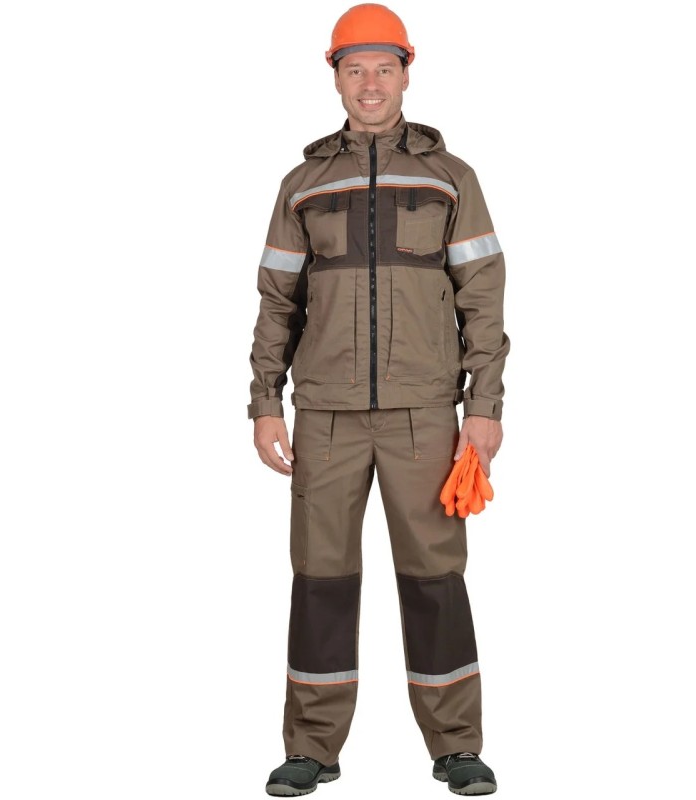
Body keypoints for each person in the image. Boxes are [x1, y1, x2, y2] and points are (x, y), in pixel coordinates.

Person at [248, 4, 509, 795]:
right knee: (320, 579)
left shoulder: (450, 176)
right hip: (324, 415)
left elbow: (483, 298)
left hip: (424, 414)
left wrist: (484, 406)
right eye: (354, 68)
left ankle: (456, 745)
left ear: (406, 72)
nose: (370, 83)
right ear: (334, 76)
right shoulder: (302, 185)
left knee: (435, 579)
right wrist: (265, 402)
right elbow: (276, 302)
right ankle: (312, 746)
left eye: (383, 68)